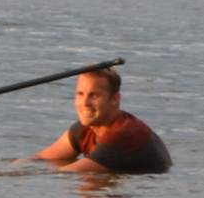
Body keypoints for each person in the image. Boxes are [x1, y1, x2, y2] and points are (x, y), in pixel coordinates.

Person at [32, 67, 172, 175]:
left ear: (115, 99)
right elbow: (42, 158)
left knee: (88, 184)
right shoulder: (87, 127)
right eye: (80, 94)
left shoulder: (123, 133)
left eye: (94, 96)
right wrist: (19, 167)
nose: (84, 103)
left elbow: (67, 173)